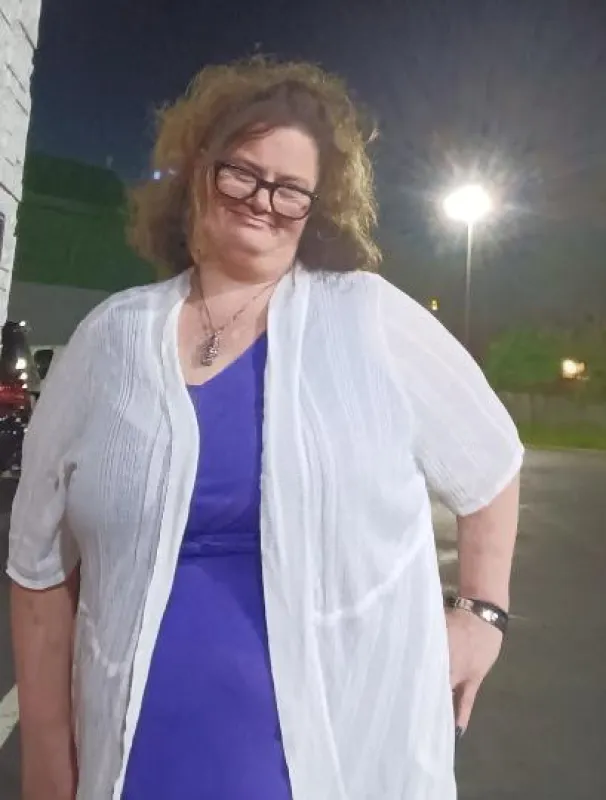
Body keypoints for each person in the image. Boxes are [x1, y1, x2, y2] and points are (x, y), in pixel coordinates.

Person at [8, 57, 523, 800]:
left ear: (316, 207)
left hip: (335, 760)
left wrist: (481, 614)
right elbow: (37, 569)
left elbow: (492, 462)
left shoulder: (367, 318)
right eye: (242, 174)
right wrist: (47, 763)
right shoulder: (108, 340)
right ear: (199, 174)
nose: (263, 201)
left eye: (290, 189)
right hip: (138, 758)